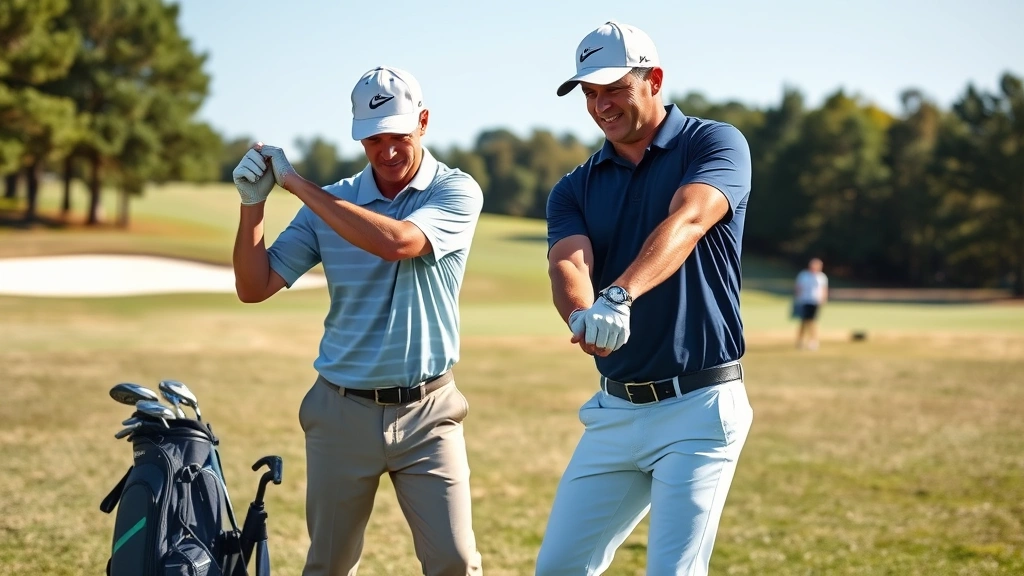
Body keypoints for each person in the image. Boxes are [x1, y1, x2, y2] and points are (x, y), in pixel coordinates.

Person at [230, 66, 484, 576]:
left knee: (455, 562)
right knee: (327, 564)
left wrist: (297, 184)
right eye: (372, 139)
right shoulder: (331, 203)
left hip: (428, 411)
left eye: (396, 136)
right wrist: (253, 207)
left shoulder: (455, 191)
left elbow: (398, 244)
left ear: (424, 123)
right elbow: (253, 287)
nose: (386, 151)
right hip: (341, 410)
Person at [537, 22, 754, 576]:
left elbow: (690, 218)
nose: (600, 104)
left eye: (614, 88)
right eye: (589, 92)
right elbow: (568, 261)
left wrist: (619, 296)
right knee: (558, 568)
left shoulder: (713, 143)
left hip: (699, 407)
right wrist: (585, 313)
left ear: (653, 79)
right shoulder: (575, 186)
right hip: (615, 410)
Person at [794, 257, 828, 350]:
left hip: (815, 301)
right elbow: (798, 287)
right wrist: (798, 298)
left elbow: (824, 289)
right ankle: (800, 341)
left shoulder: (821, 277)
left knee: (813, 322)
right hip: (804, 300)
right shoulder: (803, 275)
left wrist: (823, 299)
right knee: (803, 322)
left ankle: (813, 341)